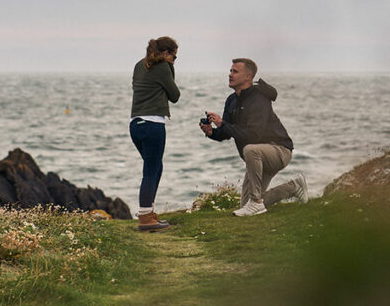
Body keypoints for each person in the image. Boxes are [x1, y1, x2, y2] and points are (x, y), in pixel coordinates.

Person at [199, 58, 307, 216]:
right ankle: (293, 187)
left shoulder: (259, 98)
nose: (230, 74)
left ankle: (256, 203)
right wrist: (212, 132)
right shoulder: (231, 100)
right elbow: (226, 133)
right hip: (256, 157)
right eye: (230, 71)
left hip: (279, 150)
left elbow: (254, 136)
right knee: (244, 205)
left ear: (248, 77)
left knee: (250, 150)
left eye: (235, 71)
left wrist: (222, 123)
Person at [130, 36, 181, 231]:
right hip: (153, 123)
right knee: (152, 170)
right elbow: (175, 96)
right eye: (174, 57)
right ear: (166, 53)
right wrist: (170, 67)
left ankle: (149, 212)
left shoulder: (138, 65)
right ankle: (145, 216)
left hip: (135, 123)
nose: (174, 61)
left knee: (155, 168)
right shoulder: (162, 68)